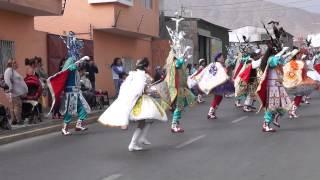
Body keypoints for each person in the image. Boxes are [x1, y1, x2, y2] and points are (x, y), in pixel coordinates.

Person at [98, 58, 167, 151]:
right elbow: (140, 90)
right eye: (148, 66)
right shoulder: (142, 76)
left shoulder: (133, 74)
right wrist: (152, 90)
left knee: (150, 119)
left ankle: (141, 138)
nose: (149, 67)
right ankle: (133, 144)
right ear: (145, 67)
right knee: (144, 122)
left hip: (136, 99)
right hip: (139, 101)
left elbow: (127, 87)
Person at [207, 53, 234, 119]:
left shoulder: (221, 65)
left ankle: (212, 111)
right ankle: (210, 112)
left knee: (219, 97)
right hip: (218, 84)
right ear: (218, 59)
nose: (223, 58)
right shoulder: (217, 65)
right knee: (217, 97)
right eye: (222, 57)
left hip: (221, 83)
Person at [4, 59, 28, 125]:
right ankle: (18, 120)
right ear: (11, 64)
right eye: (14, 63)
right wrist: (10, 89)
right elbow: (7, 81)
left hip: (16, 92)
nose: (16, 64)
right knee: (17, 106)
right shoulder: (9, 71)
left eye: (16, 62)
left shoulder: (12, 71)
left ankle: (14, 120)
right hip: (14, 92)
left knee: (14, 106)